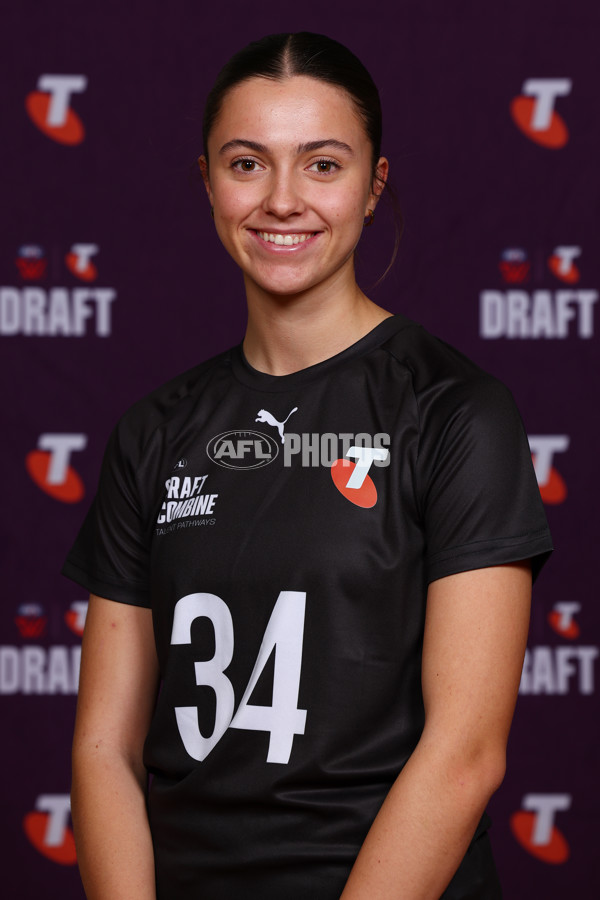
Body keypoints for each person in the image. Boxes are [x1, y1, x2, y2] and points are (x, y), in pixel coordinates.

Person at [64, 32, 552, 900]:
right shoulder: (155, 430)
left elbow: (465, 754)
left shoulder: (453, 411)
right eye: (247, 163)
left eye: (322, 165)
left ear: (374, 185)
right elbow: (104, 746)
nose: (282, 200)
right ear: (209, 180)